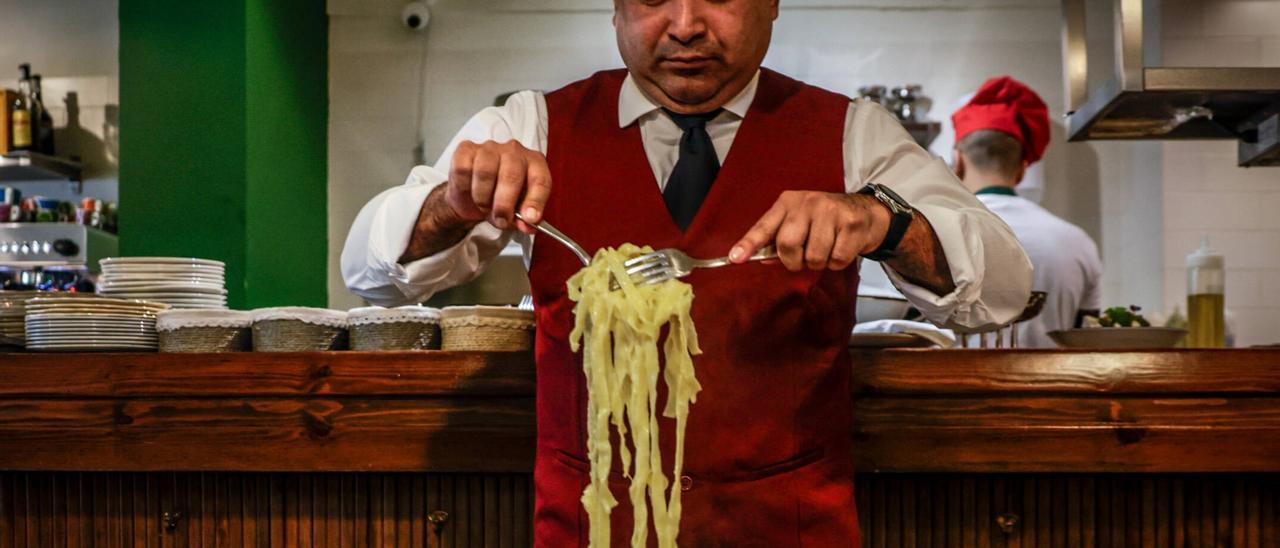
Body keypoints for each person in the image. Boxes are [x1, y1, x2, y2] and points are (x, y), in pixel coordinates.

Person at [344, 1, 1032, 544]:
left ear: (771, 4)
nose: (684, 25)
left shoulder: (855, 134)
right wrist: (451, 204)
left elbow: (1003, 289)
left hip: (788, 533)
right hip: (593, 530)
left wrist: (885, 223)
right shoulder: (533, 122)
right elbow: (373, 271)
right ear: (615, 10)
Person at [951, 76, 1103, 348]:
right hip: (1056, 390)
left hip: (954, 388)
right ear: (1022, 168)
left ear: (958, 161)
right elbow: (1088, 339)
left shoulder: (935, 234)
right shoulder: (1078, 242)